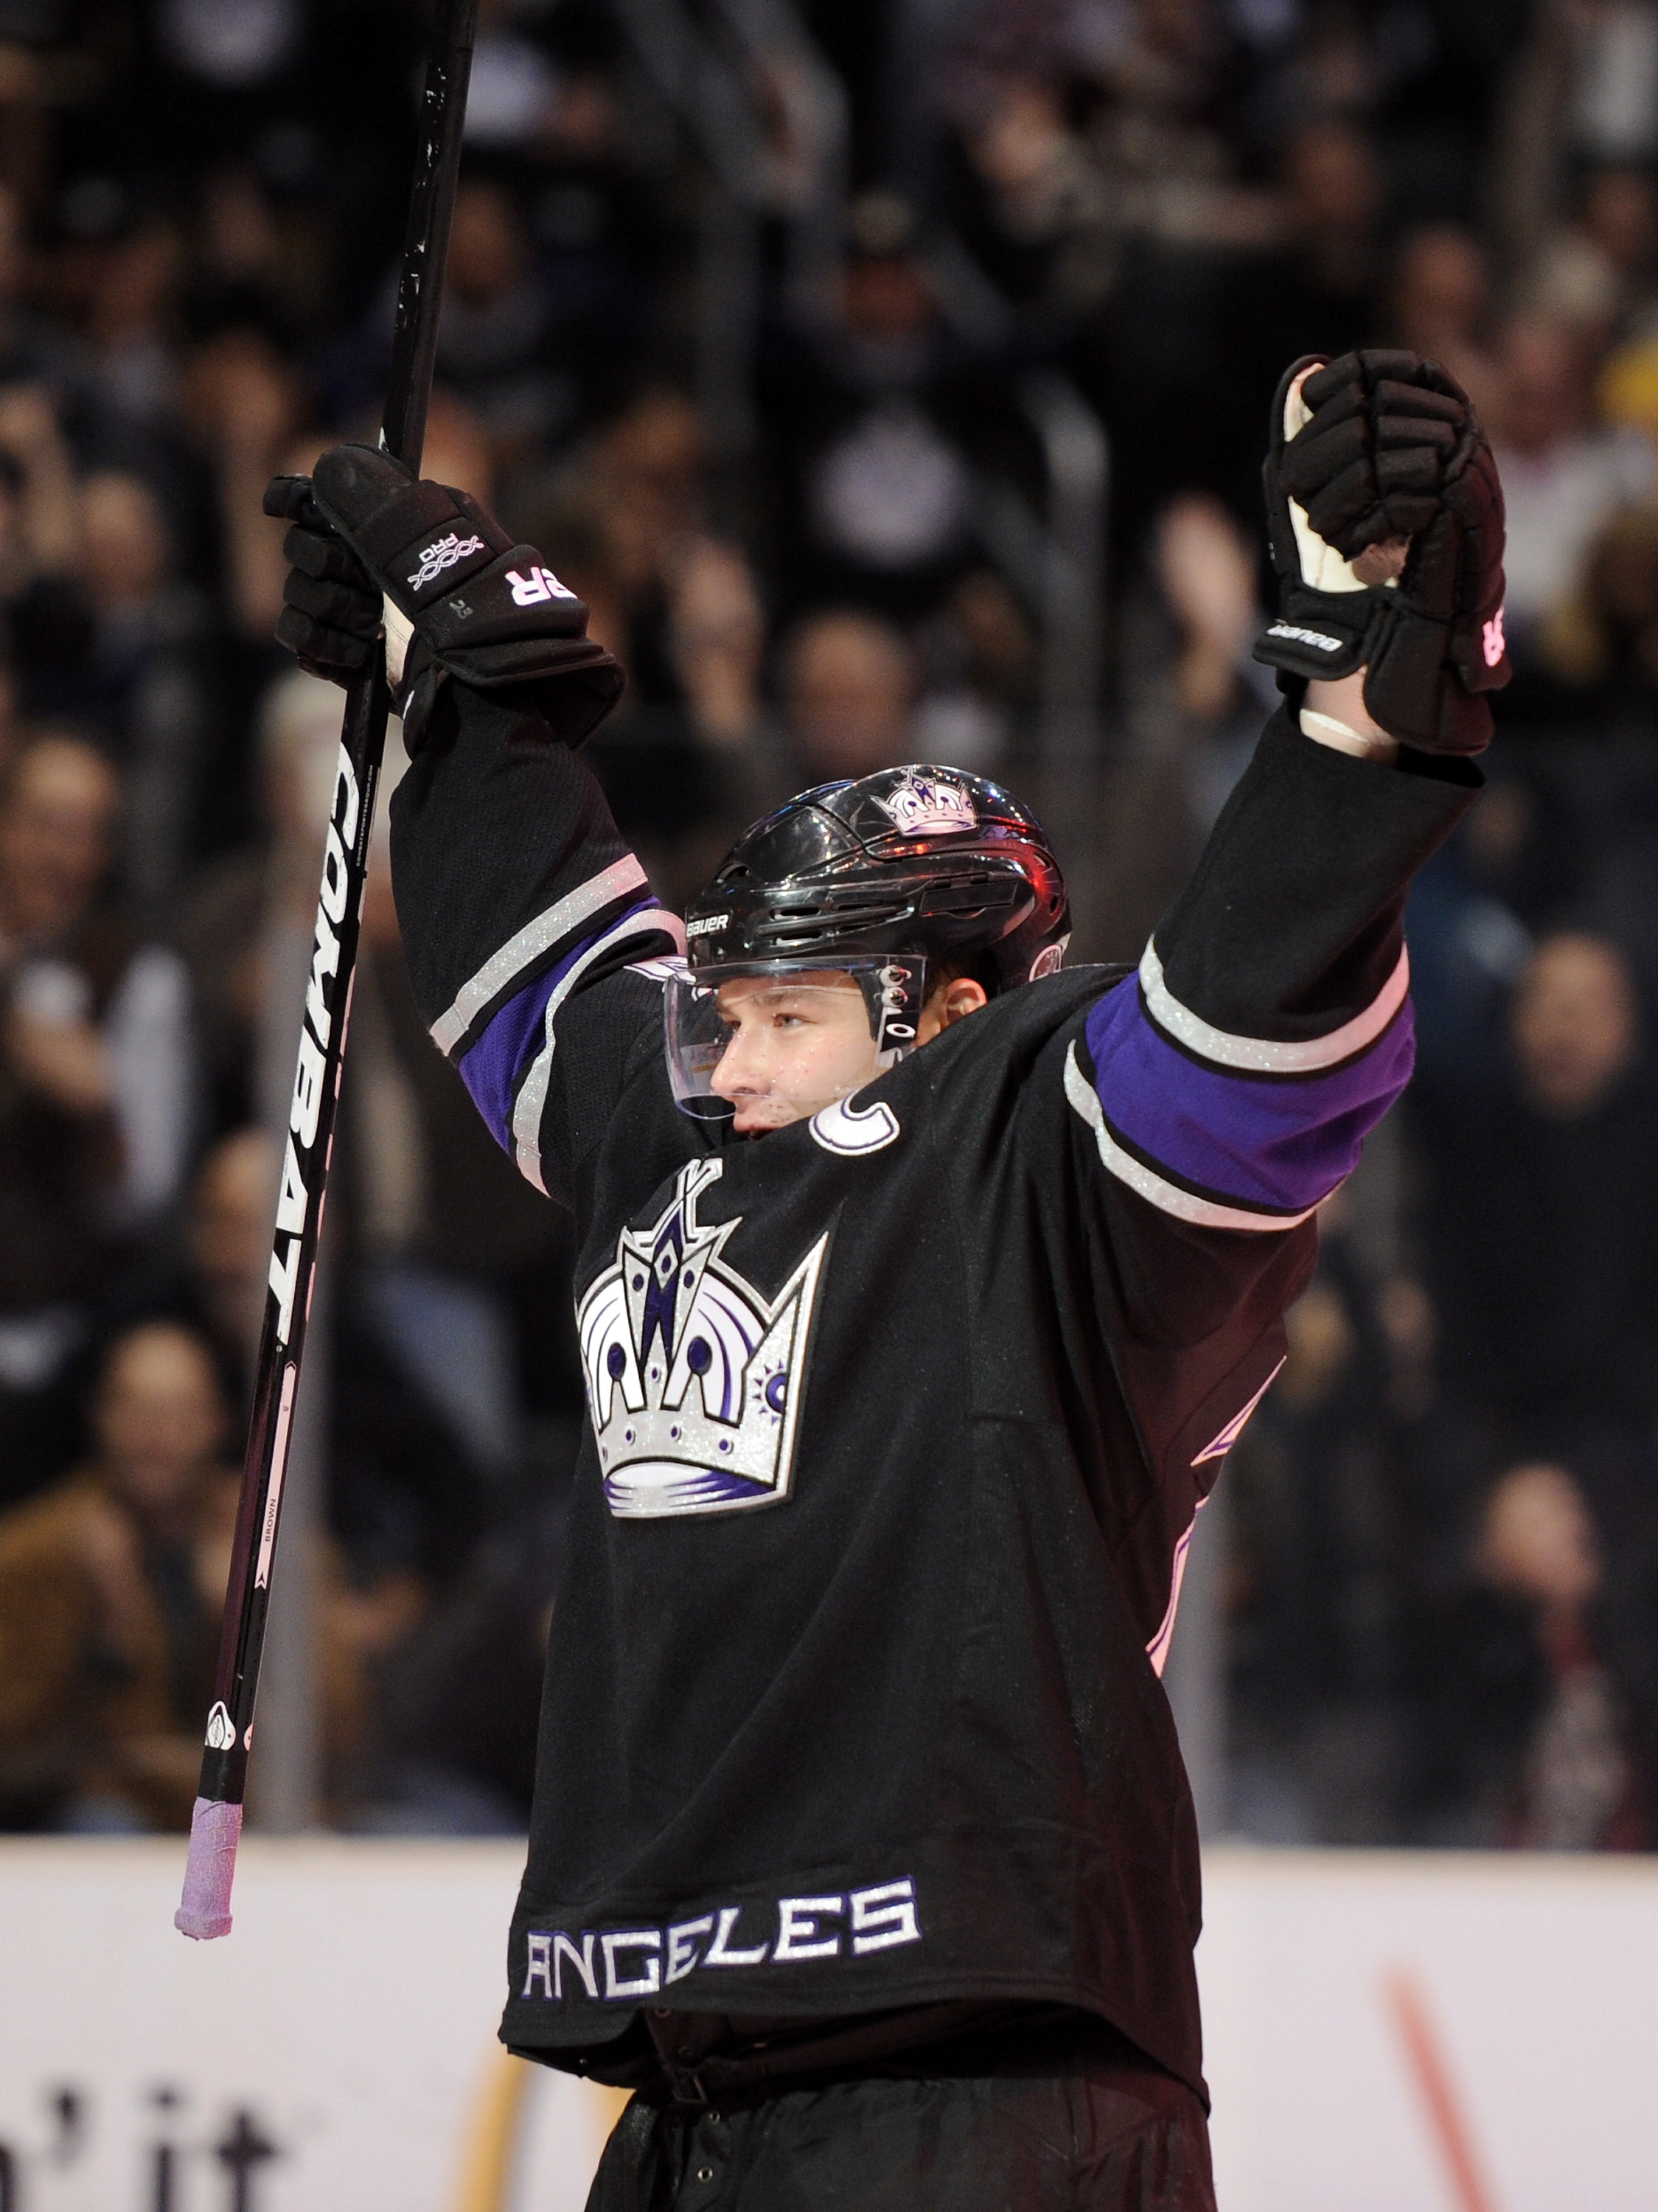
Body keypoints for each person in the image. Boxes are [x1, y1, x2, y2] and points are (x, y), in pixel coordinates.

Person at [265, 344, 1505, 2209]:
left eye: (783, 1014)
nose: (732, 1058)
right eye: (725, 1011)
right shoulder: (692, 1126)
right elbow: (556, 981)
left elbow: (1254, 1014)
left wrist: (1373, 707)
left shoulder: (1054, 1151)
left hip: (983, 2105)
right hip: (687, 2119)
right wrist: (455, 685)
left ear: (949, 1011)